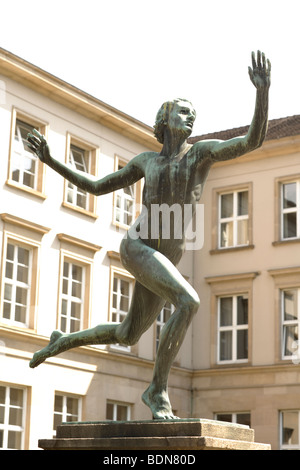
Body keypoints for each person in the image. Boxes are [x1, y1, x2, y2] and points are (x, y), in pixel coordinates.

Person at [27, 51, 271, 419]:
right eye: (184, 111)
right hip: (139, 246)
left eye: (193, 112)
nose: (192, 116)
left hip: (163, 259)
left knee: (127, 334)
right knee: (189, 302)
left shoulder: (200, 154)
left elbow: (250, 141)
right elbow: (95, 186)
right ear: (165, 119)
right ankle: (157, 391)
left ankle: (62, 341)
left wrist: (262, 94)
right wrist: (51, 161)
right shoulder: (147, 161)